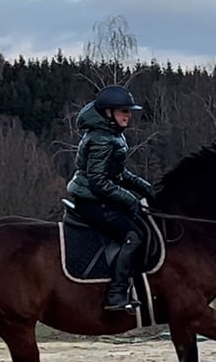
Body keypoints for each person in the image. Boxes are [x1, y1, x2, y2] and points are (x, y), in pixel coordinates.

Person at [66, 85, 155, 311]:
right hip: (91, 200)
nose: (128, 115)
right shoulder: (101, 139)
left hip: (99, 196)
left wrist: (146, 188)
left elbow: (118, 174)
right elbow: (99, 182)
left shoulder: (113, 135)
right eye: (123, 111)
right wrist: (131, 200)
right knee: (133, 236)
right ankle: (116, 295)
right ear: (108, 113)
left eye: (129, 111)